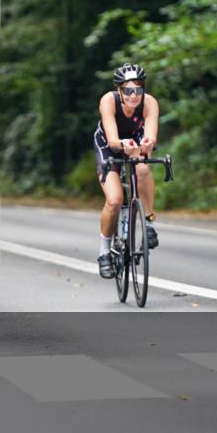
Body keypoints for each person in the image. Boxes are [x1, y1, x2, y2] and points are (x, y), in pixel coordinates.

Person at [93, 63, 160, 279]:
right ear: (119, 90)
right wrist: (124, 146)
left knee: (142, 169)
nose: (134, 95)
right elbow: (112, 139)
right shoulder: (108, 101)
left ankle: (148, 222)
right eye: (128, 90)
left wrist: (146, 145)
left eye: (138, 90)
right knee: (114, 200)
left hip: (135, 140)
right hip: (108, 144)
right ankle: (104, 252)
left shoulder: (149, 103)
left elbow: (150, 135)